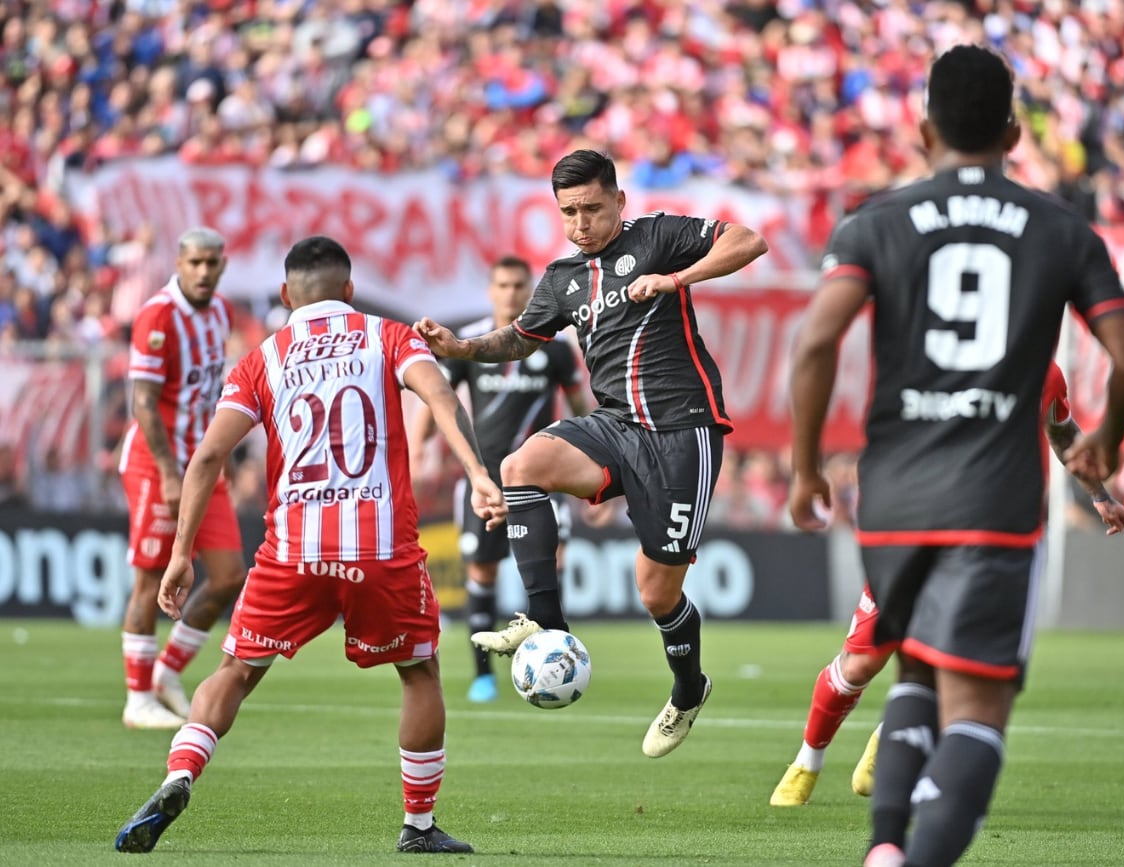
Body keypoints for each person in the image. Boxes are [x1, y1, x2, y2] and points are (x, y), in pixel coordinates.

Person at [787, 46, 1124, 867]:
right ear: (1015, 131)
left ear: (922, 130)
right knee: (976, 712)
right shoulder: (1062, 230)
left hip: (894, 502)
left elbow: (814, 343)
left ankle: (883, 846)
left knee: (914, 676)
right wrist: (1107, 443)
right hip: (993, 503)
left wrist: (807, 466)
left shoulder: (874, 222)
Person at [114, 236, 505, 855]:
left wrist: (181, 553)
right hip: (380, 547)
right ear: (349, 291)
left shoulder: (262, 358)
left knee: (235, 671)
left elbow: (210, 454)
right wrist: (481, 474)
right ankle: (420, 826)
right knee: (419, 671)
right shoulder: (389, 335)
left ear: (284, 296)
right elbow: (439, 395)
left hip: (292, 549)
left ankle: (179, 774)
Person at [415, 148, 768, 757]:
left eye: (592, 208)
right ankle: (548, 625)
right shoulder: (561, 279)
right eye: (568, 212)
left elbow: (749, 241)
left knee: (656, 594)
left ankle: (689, 689)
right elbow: (520, 339)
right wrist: (463, 348)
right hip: (613, 425)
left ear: (619, 202)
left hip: (682, 431)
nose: (580, 222)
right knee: (520, 466)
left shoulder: (657, 237)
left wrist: (676, 278)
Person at [769, 362, 1124, 807]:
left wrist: (1099, 494)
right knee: (863, 662)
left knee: (958, 657)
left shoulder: (1042, 370)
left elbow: (1061, 433)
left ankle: (893, 737)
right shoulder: (937, 358)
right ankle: (808, 760)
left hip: (987, 542)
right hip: (914, 532)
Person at [412, 254, 590, 703]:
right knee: (482, 570)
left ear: (529, 290)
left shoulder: (555, 347)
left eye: (518, 286)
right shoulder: (470, 344)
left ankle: (555, 664)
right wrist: (420, 447)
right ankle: (483, 676)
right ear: (492, 290)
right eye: (503, 285)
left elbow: (581, 407)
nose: (511, 293)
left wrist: (598, 460)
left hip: (543, 481)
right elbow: (437, 399)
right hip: (486, 481)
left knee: (554, 562)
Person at [117, 227, 247, 730]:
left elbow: (213, 391)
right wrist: (170, 473)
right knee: (150, 579)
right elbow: (143, 403)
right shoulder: (158, 315)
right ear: (179, 262)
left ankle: (165, 674)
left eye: (212, 263)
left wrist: (223, 454)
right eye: (195, 263)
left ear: (223, 264)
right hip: (158, 465)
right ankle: (136, 699)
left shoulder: (221, 312)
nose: (204, 272)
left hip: (202, 464)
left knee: (229, 575)